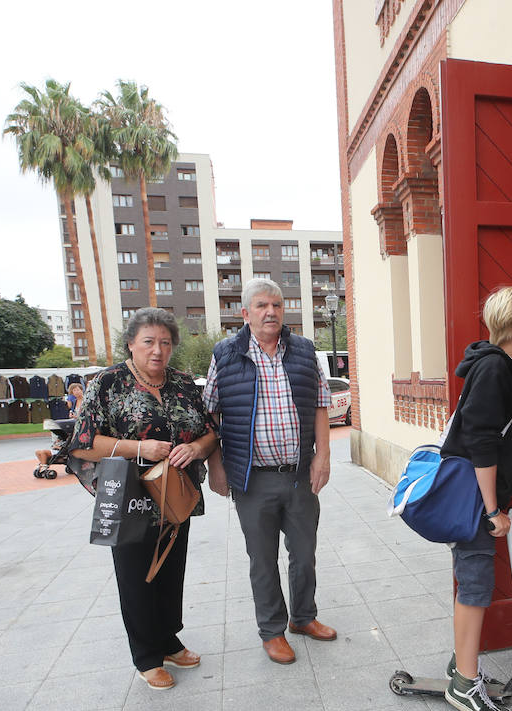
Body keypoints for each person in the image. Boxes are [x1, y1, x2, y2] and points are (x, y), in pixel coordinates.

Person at [69, 308, 219, 690]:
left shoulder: (184, 383)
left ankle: (168, 640)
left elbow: (210, 432)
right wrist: (139, 447)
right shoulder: (107, 383)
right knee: (137, 577)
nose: (158, 350)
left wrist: (197, 450)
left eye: (166, 343)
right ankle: (146, 655)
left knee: (171, 571)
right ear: (131, 344)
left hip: (175, 495)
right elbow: (84, 445)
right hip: (131, 500)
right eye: (149, 342)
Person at [203, 278, 337, 666]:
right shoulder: (225, 355)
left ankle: (304, 618)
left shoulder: (303, 351)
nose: (271, 312)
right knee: (262, 559)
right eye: (261, 306)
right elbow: (210, 413)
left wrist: (322, 456)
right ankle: (272, 631)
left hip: (298, 474)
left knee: (304, 554)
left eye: (277, 305)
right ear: (245, 313)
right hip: (252, 477)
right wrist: (217, 466)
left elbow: (320, 406)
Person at [440, 285, 512, 711]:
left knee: (474, 583)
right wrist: (492, 510)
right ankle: (465, 684)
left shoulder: (508, 366)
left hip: (480, 492)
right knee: (474, 586)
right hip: (470, 497)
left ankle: (460, 664)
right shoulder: (495, 370)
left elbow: (506, 441)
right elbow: (480, 443)